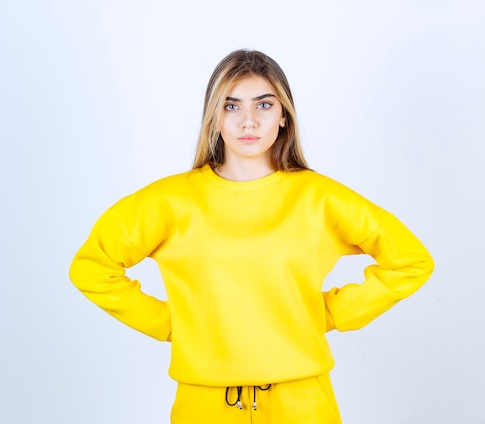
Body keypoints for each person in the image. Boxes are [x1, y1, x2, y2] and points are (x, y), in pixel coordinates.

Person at [69, 49, 434, 424]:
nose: (248, 121)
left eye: (263, 105)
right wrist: (169, 323)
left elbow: (410, 261)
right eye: (231, 106)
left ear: (283, 116)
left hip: (303, 403)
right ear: (214, 118)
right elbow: (92, 268)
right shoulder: (168, 202)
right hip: (204, 403)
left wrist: (327, 313)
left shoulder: (320, 198)